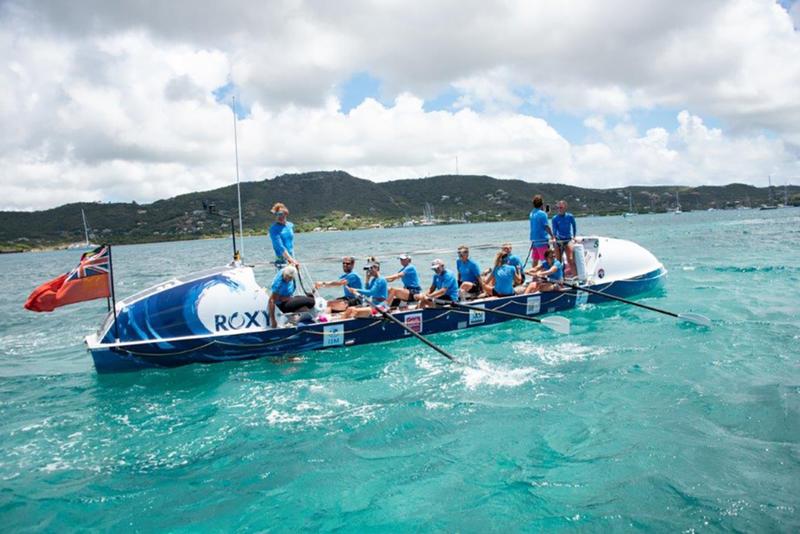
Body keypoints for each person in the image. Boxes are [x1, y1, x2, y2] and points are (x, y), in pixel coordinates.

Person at [551, 200, 577, 277]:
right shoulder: (554, 218)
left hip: (568, 240)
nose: (559, 209)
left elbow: (574, 227)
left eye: (561, 207)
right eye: (558, 208)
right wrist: (554, 238)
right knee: (558, 262)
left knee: (570, 259)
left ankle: (576, 277)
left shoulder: (570, 216)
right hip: (559, 240)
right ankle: (560, 278)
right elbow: (554, 230)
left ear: (565, 208)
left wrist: (574, 236)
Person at [269, 202, 298, 266]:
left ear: (285, 214)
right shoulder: (273, 229)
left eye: (281, 214)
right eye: (277, 215)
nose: (279, 217)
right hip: (281, 260)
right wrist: (290, 259)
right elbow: (279, 246)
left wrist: (292, 258)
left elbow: (290, 242)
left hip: (291, 257)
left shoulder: (290, 225)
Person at [529, 195, 554, 267]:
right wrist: (553, 236)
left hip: (534, 240)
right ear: (542, 204)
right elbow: (546, 226)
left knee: (535, 259)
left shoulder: (532, 213)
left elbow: (538, 220)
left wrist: (544, 212)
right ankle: (546, 275)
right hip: (542, 240)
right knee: (545, 259)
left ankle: (534, 276)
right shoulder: (542, 214)